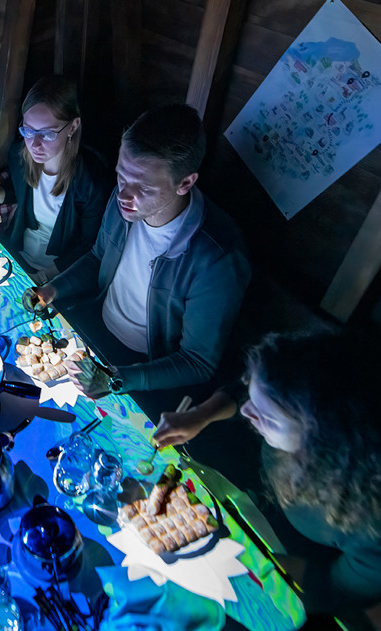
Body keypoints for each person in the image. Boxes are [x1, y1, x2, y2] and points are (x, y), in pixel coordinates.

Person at [151, 331, 381, 611]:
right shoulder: (295, 399)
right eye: (253, 394)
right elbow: (246, 393)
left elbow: (334, 587)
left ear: (322, 440)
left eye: (268, 418)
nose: (246, 411)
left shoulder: (379, 525)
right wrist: (200, 414)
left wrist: (240, 557)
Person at [23, 104, 250, 406]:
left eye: (143, 187)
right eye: (121, 176)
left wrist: (117, 378)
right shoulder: (126, 201)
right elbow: (97, 258)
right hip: (96, 331)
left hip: (148, 369)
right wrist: (53, 289)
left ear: (185, 183)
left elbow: (197, 362)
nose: (123, 194)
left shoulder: (216, 258)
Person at [0, 75, 112, 283]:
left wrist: (42, 278)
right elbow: (18, 192)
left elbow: (88, 245)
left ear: (73, 127)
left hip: (60, 276)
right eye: (28, 131)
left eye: (46, 134)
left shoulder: (90, 182)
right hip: (17, 258)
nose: (34, 144)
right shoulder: (20, 156)